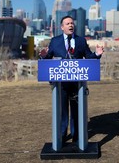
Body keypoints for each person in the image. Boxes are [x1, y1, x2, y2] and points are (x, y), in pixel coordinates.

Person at [40, 15, 104, 143]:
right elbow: (48, 60)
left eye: (72, 23)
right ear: (62, 27)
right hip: (60, 84)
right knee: (62, 112)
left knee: (76, 113)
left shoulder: (81, 41)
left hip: (77, 84)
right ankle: (62, 137)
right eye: (68, 23)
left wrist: (97, 54)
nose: (71, 25)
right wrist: (44, 56)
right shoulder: (55, 41)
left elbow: (88, 57)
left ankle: (76, 138)